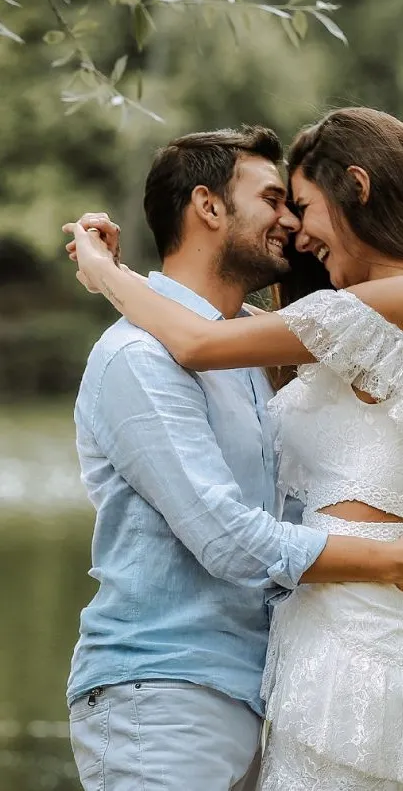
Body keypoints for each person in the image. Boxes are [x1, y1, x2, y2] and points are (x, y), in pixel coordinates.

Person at [65, 122, 403, 791]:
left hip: (299, 665)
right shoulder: (162, 352)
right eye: (277, 200)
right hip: (190, 683)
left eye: (297, 204)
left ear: (356, 188)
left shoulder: (298, 336)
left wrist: (104, 272)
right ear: (207, 205)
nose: (291, 225)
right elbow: (195, 333)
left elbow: (195, 338)